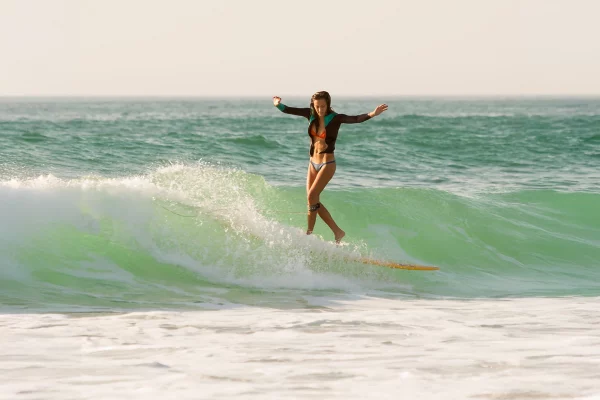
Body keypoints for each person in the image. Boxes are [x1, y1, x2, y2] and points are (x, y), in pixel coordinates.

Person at [273, 91, 388, 243]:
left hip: (327, 163)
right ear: (313, 105)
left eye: (323, 106)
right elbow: (288, 109)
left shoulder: (336, 118)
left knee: (311, 197)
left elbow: (356, 119)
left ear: (328, 104)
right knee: (311, 200)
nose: (320, 109)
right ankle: (337, 232)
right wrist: (277, 104)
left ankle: (309, 234)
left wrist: (373, 113)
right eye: (317, 106)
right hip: (312, 162)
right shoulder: (310, 114)